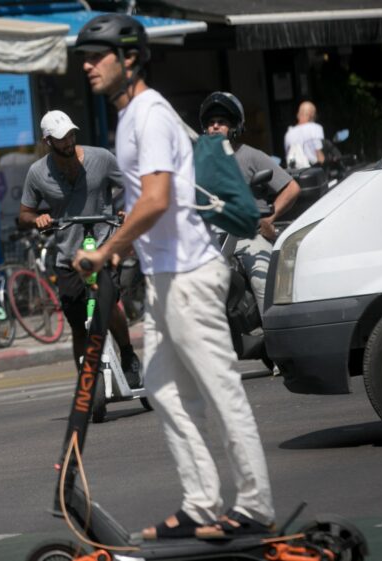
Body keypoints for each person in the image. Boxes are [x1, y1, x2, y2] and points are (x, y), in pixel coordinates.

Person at [72, 14, 275, 540]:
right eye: (84, 57)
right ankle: (202, 504)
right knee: (161, 389)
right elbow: (151, 200)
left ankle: (254, 505)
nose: (87, 65)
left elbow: (158, 199)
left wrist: (107, 250)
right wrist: (126, 249)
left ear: (131, 58)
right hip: (165, 277)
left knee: (220, 388)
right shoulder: (128, 116)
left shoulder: (151, 113)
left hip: (190, 273)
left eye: (98, 55)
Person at [18, 109, 142, 385]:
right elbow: (24, 213)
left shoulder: (101, 158)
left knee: (108, 305)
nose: (68, 142)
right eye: (61, 138)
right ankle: (86, 382)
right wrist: (37, 219)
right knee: (78, 324)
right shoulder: (37, 173)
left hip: (103, 247)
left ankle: (128, 353)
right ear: (48, 141)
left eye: (71, 135)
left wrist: (127, 213)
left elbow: (135, 189)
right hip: (68, 256)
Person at [199, 91, 300, 313]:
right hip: (212, 242)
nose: (215, 127)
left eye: (222, 122)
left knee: (263, 283)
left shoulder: (251, 155)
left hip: (248, 236)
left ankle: (276, 342)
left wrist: (270, 217)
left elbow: (292, 188)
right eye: (211, 123)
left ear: (234, 127)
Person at [283, 101, 324, 169]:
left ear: (298, 115)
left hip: (294, 174)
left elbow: (287, 155)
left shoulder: (288, 134)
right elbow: (320, 156)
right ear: (312, 115)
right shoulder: (316, 128)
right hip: (313, 171)